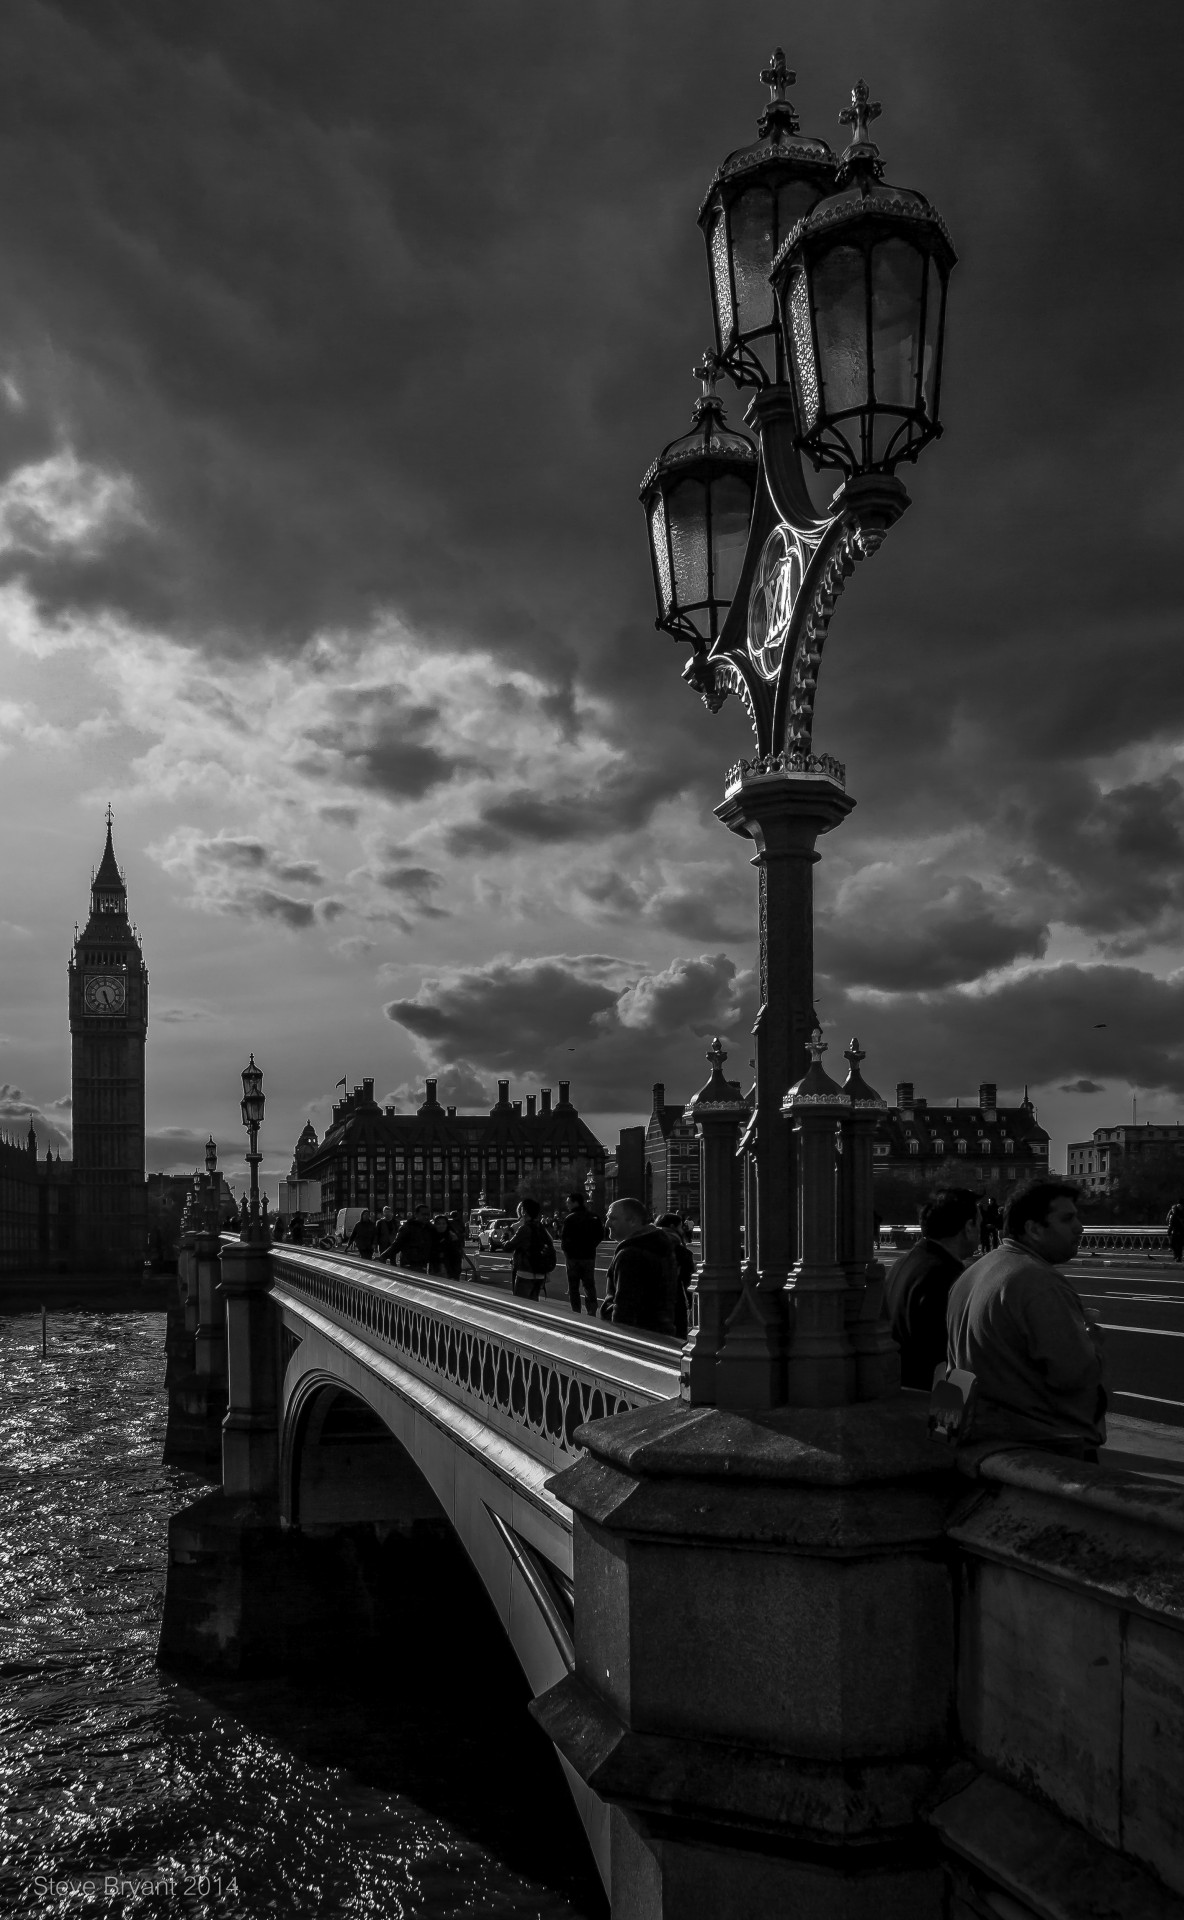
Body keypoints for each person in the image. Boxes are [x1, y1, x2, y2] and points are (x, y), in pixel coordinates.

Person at [946, 1180, 1106, 1460]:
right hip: (1042, 1443)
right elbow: (1074, 1374)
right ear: (1033, 1229)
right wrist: (1091, 1342)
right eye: (1067, 1219)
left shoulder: (972, 1272)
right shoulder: (1039, 1281)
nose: (1079, 1227)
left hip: (979, 1436)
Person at [885, 1188, 980, 1390]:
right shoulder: (946, 1274)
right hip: (931, 1393)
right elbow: (951, 1351)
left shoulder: (904, 1262)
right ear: (968, 1227)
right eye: (979, 1224)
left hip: (901, 1384)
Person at [600, 1198, 678, 1336]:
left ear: (633, 1221)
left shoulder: (630, 1254)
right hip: (660, 1331)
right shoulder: (659, 1245)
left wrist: (617, 1338)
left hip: (639, 1335)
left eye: (613, 1219)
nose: (607, 1224)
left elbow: (624, 1308)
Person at [559, 1190, 602, 1315]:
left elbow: (564, 1238)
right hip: (589, 1255)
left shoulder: (570, 1218)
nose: (567, 1205)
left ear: (575, 1203)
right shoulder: (593, 1217)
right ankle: (592, 1311)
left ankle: (576, 1312)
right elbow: (599, 1235)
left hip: (573, 1257)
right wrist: (591, 1245)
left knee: (573, 1287)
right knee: (589, 1285)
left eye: (568, 1202)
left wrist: (567, 1250)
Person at [506, 1197, 556, 1300]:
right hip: (540, 1274)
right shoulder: (541, 1227)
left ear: (524, 1212)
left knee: (521, 1306)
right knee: (533, 1304)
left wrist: (504, 1238)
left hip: (525, 1273)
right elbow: (550, 1243)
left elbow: (508, 1247)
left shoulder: (524, 1229)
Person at [655, 1212, 694, 1338]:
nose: (682, 1230)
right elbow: (688, 1281)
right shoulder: (680, 1250)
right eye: (680, 1226)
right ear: (672, 1227)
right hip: (672, 1303)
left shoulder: (644, 1242)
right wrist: (691, 1306)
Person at [387, 1203, 435, 1271]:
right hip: (408, 1264)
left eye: (428, 1214)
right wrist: (383, 1257)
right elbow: (396, 1244)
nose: (426, 1217)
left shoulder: (430, 1229)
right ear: (416, 1215)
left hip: (423, 1264)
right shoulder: (408, 1228)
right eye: (423, 1214)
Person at [432, 1212, 464, 1279]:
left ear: (447, 1224)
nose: (441, 1226)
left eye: (443, 1223)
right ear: (435, 1225)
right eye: (438, 1224)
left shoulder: (452, 1237)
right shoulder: (431, 1236)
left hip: (449, 1271)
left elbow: (457, 1257)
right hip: (435, 1270)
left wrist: (455, 1274)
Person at [1167, 1199, 1184, 1264]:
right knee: (1173, 1244)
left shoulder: (1179, 1214)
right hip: (1176, 1232)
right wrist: (1169, 1231)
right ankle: (1177, 1256)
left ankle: (1178, 1257)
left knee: (1179, 1246)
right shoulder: (1175, 1214)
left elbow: (1171, 1223)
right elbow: (1171, 1224)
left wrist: (1169, 1231)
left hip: (1180, 1232)